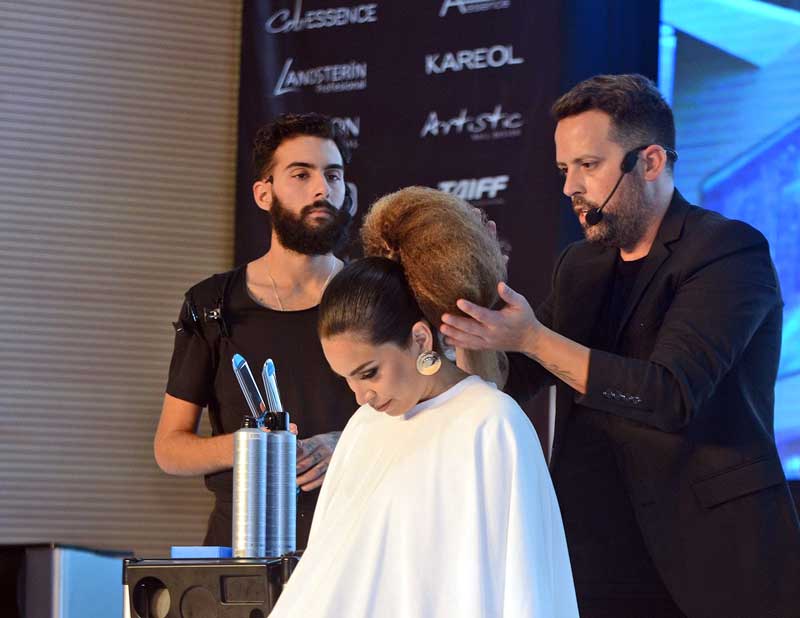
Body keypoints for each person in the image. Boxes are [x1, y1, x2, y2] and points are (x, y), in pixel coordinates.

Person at [440, 73, 800, 617]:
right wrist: (474, 291)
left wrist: (533, 337)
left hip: (714, 556)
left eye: (588, 165)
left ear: (650, 162)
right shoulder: (579, 265)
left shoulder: (726, 251)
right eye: (564, 169)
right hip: (595, 553)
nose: (570, 188)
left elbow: (669, 394)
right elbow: (511, 379)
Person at [270, 252, 578, 617]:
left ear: (420, 338)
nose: (361, 396)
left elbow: (525, 583)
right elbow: (326, 573)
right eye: (347, 379)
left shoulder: (492, 423)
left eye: (369, 373)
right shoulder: (365, 426)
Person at [153, 113, 357, 548]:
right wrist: (252, 447)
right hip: (245, 547)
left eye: (333, 175)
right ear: (264, 194)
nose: (322, 189)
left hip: (355, 543)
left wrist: (349, 443)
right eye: (301, 174)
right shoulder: (211, 303)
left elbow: (425, 422)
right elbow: (169, 449)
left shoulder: (378, 296)